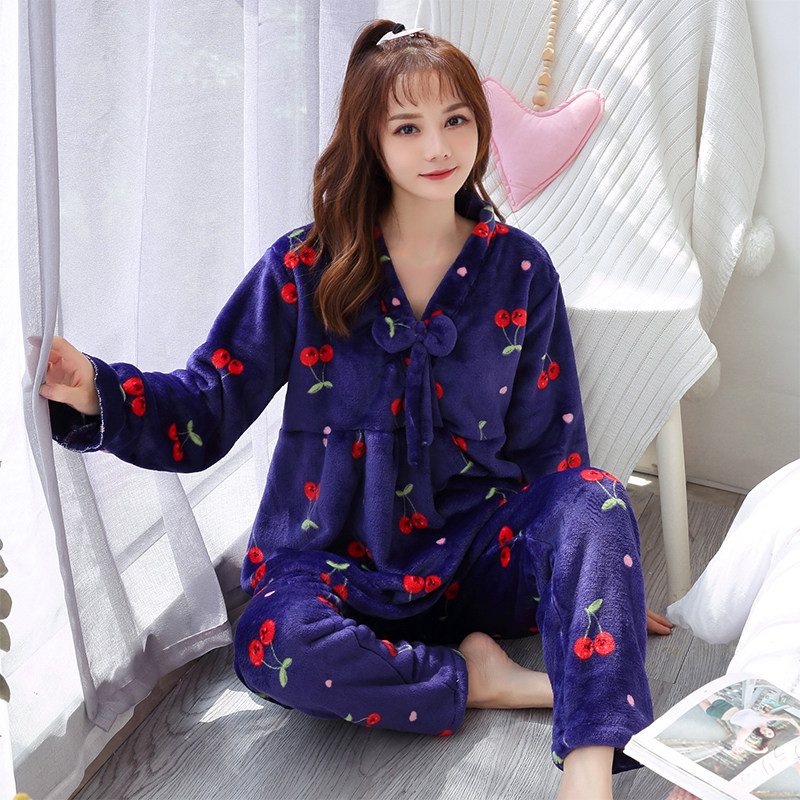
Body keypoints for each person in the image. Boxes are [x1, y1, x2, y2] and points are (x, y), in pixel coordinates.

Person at [40, 20, 671, 799]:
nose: (438, 146)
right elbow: (207, 406)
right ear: (370, 139)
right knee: (270, 645)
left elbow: (554, 452)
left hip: (477, 558)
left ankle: (589, 772)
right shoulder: (304, 266)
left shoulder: (522, 269)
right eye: (407, 128)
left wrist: (598, 582)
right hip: (333, 565)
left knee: (600, 498)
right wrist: (94, 388)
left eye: (456, 119)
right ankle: (472, 681)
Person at [699, 694, 800, 754]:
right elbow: (787, 718)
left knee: (698, 698)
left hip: (718, 714)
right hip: (725, 705)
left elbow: (739, 742)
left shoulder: (749, 728)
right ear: (771, 728)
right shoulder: (763, 719)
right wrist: (798, 727)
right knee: (705, 692)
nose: (766, 732)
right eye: (769, 733)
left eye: (765, 735)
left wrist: (756, 751)